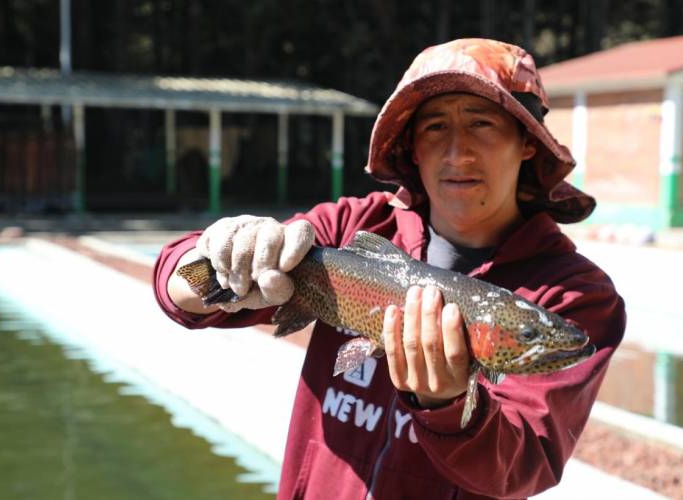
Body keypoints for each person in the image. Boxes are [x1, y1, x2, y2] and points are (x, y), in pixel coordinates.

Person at [153, 38, 625, 499]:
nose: (457, 153)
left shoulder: (575, 295)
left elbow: (522, 469)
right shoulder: (353, 225)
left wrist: (447, 405)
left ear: (527, 143)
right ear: (412, 148)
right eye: (436, 128)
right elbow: (178, 291)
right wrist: (215, 261)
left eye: (482, 124)